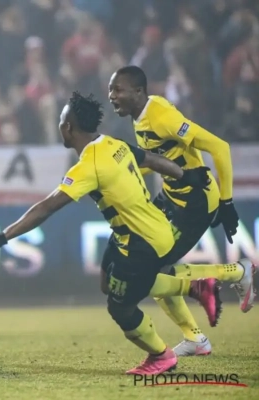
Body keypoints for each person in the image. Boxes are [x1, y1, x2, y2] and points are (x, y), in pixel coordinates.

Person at [0, 91, 221, 375]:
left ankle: (161, 356)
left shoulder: (87, 166)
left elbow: (46, 208)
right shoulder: (112, 143)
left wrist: (2, 237)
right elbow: (151, 159)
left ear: (68, 127)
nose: (59, 125)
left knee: (120, 308)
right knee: (107, 281)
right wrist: (186, 175)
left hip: (141, 241)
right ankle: (195, 288)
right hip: (148, 228)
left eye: (60, 120)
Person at [108, 65, 256, 357]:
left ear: (138, 91)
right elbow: (158, 159)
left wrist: (227, 202)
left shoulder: (162, 117)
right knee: (149, 270)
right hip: (171, 198)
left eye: (118, 89)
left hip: (194, 202)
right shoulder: (140, 115)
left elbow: (220, 147)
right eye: (110, 89)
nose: (111, 96)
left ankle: (236, 273)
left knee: (149, 272)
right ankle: (195, 337)